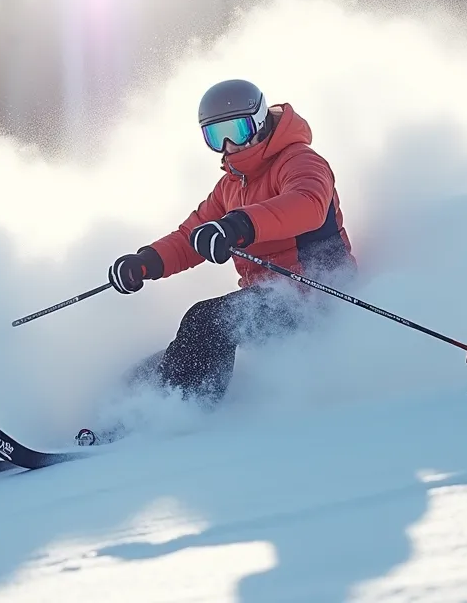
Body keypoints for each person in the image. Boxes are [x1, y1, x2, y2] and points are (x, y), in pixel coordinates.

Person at [79, 79, 356, 446]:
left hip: (318, 297)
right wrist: (144, 263)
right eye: (216, 136)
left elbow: (307, 204)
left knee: (206, 321)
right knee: (158, 363)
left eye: (237, 131)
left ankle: (173, 421)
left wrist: (238, 225)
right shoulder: (231, 185)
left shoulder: (301, 161)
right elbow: (189, 237)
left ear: (258, 122)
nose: (228, 146)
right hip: (268, 299)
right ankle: (108, 426)